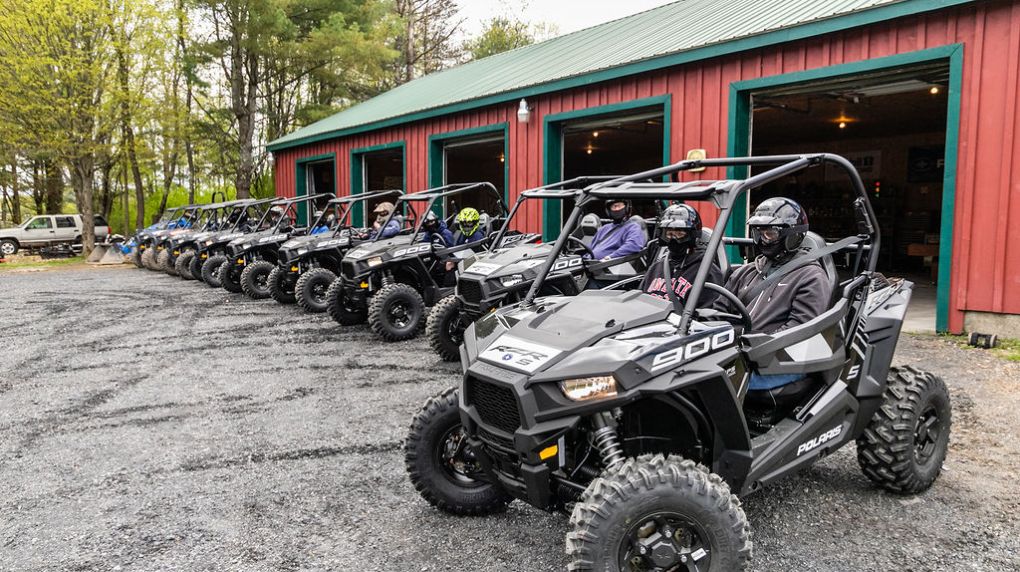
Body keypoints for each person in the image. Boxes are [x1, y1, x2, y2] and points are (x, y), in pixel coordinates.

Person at [714, 197, 832, 391]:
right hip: (738, 355)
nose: (762, 240)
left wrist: (747, 346)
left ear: (792, 235)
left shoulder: (810, 277)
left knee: (713, 386)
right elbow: (719, 309)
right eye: (758, 233)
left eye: (770, 234)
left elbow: (801, 331)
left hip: (779, 362)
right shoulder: (747, 271)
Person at [640, 204, 722, 306]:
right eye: (669, 234)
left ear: (692, 235)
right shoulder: (656, 268)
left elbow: (709, 314)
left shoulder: (707, 271)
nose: (673, 239)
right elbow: (640, 302)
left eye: (679, 234)